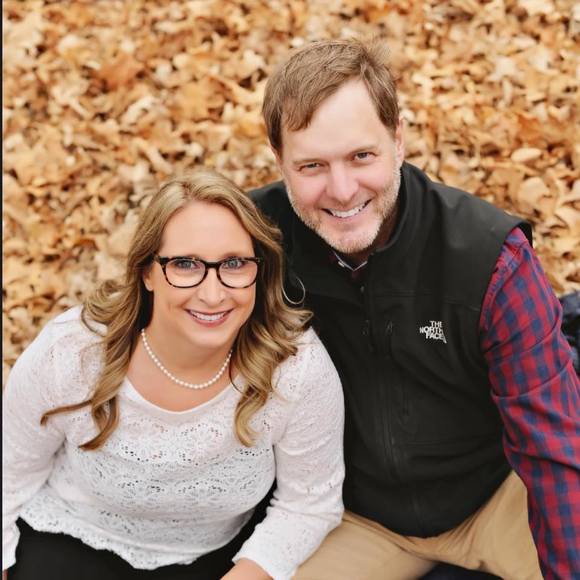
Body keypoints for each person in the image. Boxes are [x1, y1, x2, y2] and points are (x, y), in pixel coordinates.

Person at [251, 37, 580, 580]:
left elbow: (554, 444)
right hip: (356, 516)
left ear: (398, 139)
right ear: (279, 161)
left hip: (496, 494)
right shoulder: (252, 245)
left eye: (362, 156)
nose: (341, 190)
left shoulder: (490, 258)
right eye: (311, 165)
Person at [2, 169, 345, 580]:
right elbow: (7, 478)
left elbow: (307, 505)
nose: (213, 294)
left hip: (214, 558)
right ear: (147, 271)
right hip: (69, 540)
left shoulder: (294, 367)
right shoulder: (73, 351)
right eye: (185, 265)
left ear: (260, 268)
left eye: (234, 263)